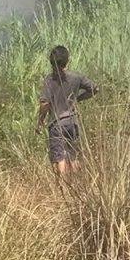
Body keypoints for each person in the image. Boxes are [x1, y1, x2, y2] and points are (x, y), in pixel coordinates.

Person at [37, 44, 96, 176]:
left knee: (59, 158)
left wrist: (40, 121)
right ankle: (76, 184)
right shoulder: (76, 77)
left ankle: (63, 189)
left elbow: (44, 103)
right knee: (73, 155)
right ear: (67, 60)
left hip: (57, 123)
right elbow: (94, 88)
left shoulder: (49, 79)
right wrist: (78, 98)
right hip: (72, 121)